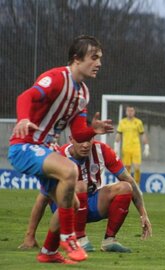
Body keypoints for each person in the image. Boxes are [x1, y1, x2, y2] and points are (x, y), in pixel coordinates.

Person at [8, 35, 113, 264]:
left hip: (45, 149)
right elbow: (26, 96)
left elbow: (77, 134)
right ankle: (69, 237)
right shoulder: (56, 78)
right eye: (94, 57)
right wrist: (23, 119)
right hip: (25, 147)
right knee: (70, 171)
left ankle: (48, 252)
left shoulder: (83, 93)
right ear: (76, 59)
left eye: (100, 58)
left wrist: (93, 130)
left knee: (72, 204)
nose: (99, 63)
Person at [18, 137, 153, 252]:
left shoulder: (102, 150)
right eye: (81, 140)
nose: (86, 144)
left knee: (125, 187)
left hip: (92, 202)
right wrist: (29, 236)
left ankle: (109, 240)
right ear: (71, 139)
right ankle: (79, 238)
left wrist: (143, 214)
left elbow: (129, 179)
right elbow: (43, 198)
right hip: (65, 207)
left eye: (89, 140)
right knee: (79, 185)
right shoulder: (59, 155)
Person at [114, 106, 150, 184]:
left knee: (137, 168)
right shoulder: (122, 122)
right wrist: (116, 147)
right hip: (126, 148)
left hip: (136, 148)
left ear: (134, 112)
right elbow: (118, 134)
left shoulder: (138, 122)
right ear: (126, 112)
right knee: (127, 169)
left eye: (132, 111)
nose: (130, 112)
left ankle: (137, 185)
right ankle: (128, 186)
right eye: (128, 111)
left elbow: (142, 134)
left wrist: (146, 146)